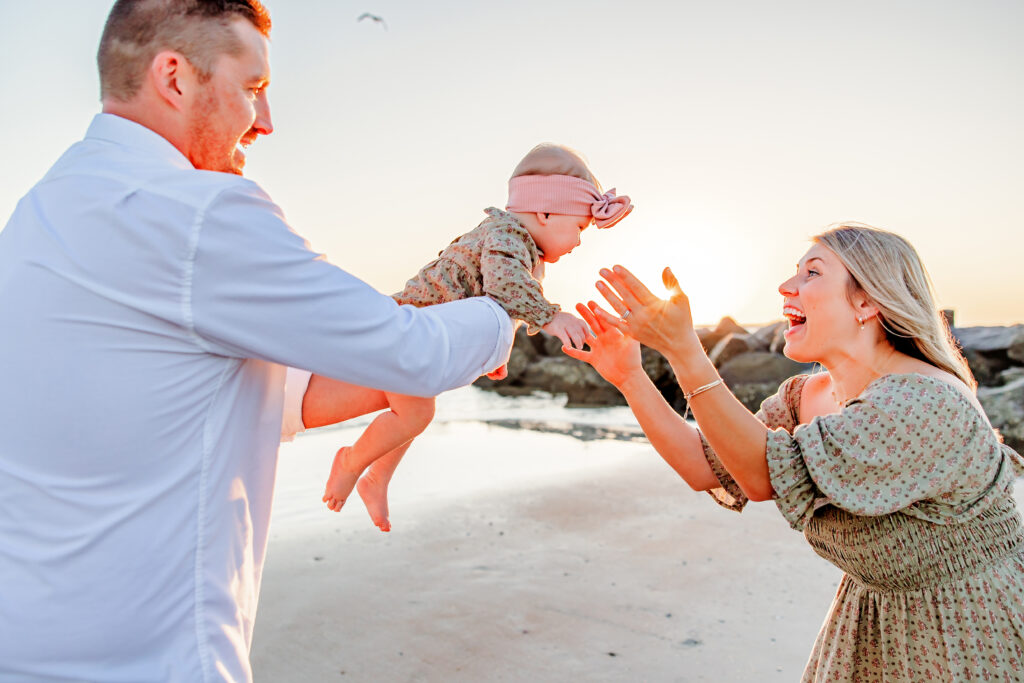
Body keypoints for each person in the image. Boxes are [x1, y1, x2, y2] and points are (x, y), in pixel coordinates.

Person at [0, 1, 514, 681]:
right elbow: (415, 351)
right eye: (254, 89)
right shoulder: (198, 211)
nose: (266, 122)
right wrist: (507, 310)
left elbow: (199, 392)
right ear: (175, 78)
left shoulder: (37, 215)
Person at [565, 224, 1024, 680]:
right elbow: (704, 465)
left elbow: (763, 476)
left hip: (967, 628)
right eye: (794, 273)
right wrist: (629, 375)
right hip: (869, 621)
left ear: (866, 300)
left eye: (812, 273)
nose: (786, 286)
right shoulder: (806, 396)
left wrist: (687, 351)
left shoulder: (922, 401)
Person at [303, 143, 632, 531]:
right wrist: (551, 317)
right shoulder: (507, 234)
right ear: (544, 212)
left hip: (425, 337)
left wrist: (495, 355)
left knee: (415, 407)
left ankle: (377, 477)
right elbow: (504, 285)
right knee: (416, 412)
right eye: (578, 228)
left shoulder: (523, 249)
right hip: (409, 328)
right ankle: (352, 462)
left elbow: (497, 305)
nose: (579, 242)